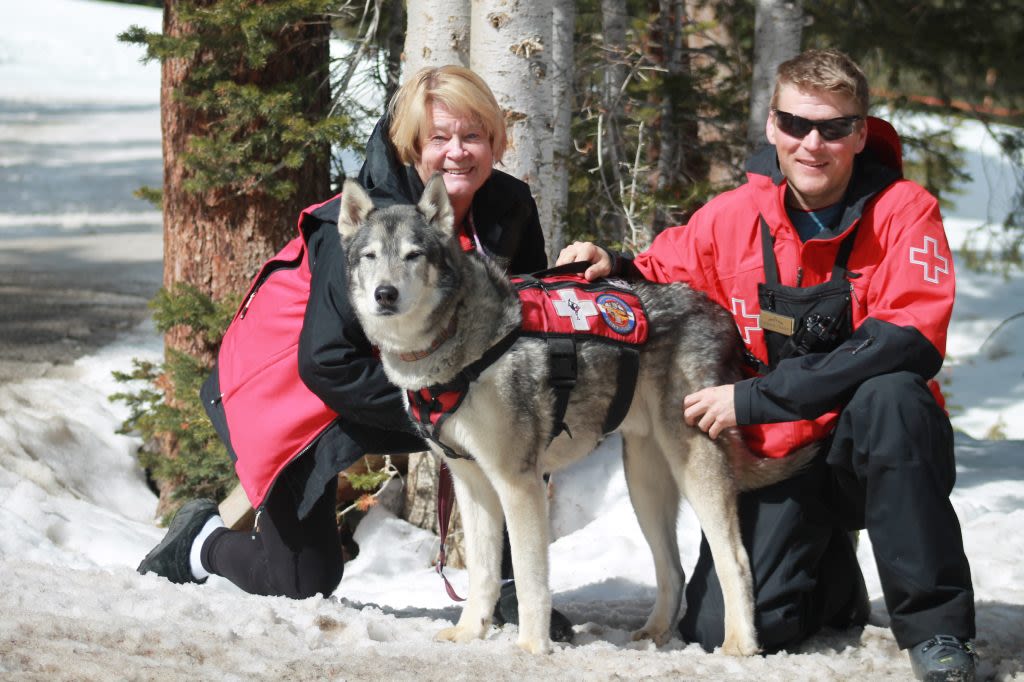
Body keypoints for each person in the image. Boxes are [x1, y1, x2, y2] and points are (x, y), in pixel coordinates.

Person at [557, 49, 976, 680]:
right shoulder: (733, 216)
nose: (813, 143)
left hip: (870, 451)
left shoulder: (905, 211)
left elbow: (911, 337)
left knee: (895, 395)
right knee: (722, 627)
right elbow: (659, 272)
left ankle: (938, 634)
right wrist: (610, 262)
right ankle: (831, 580)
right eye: (795, 124)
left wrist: (754, 399)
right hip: (773, 455)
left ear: (861, 132)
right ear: (772, 126)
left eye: (834, 128)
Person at [138, 65, 572, 641]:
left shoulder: (508, 206)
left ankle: (513, 592)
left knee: (507, 423)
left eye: (473, 136)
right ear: (412, 146)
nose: (457, 153)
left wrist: (600, 270)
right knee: (302, 581)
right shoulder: (366, 223)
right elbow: (324, 363)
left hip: (410, 383)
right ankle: (201, 542)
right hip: (287, 391)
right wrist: (451, 409)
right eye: (438, 139)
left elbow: (522, 326)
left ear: (495, 140)